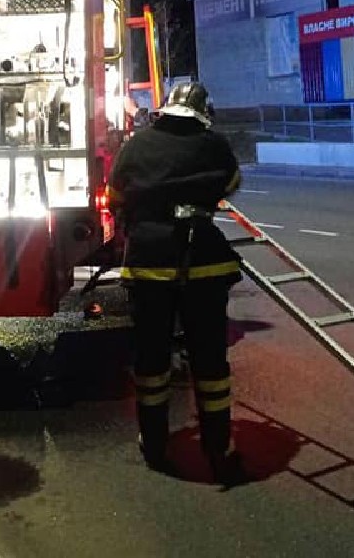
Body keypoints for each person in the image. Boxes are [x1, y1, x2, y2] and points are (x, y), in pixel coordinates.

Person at [105, 81, 248, 486]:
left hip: (148, 266)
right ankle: (218, 449)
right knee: (210, 361)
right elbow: (231, 186)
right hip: (202, 264)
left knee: (151, 360)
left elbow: (115, 195)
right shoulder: (214, 145)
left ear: (166, 109)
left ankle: (153, 444)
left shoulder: (135, 146)